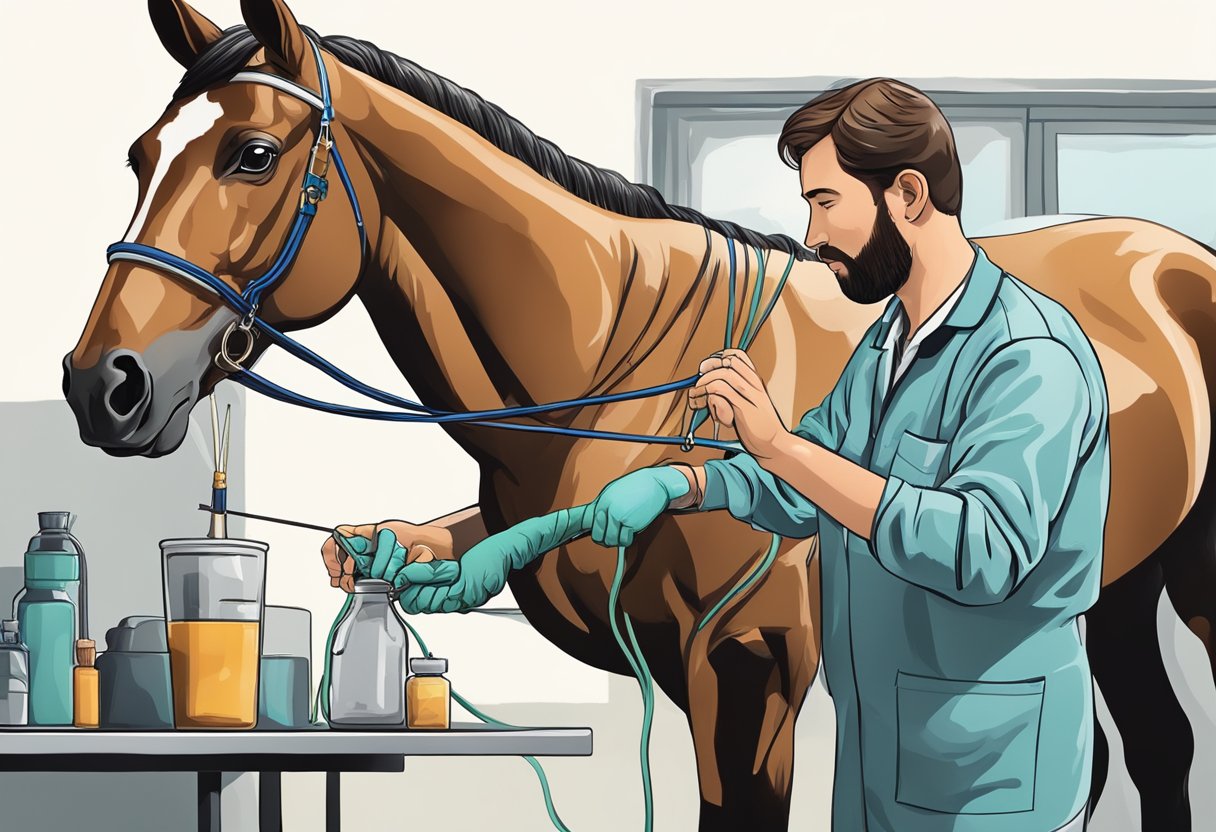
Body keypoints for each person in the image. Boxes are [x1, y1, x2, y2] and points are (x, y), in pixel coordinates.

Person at [588, 78, 1110, 831]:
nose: (810, 233)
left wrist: (774, 443)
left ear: (907, 194)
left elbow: (983, 550)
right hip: (875, 770)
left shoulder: (1030, 356)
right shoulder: (888, 344)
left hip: (990, 786)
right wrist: (686, 482)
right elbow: (813, 479)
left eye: (826, 202)